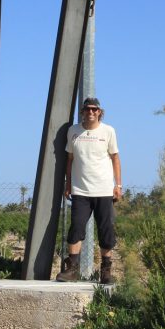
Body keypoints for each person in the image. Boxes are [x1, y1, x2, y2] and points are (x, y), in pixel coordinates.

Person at [56, 97, 122, 284]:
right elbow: (70, 159)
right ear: (82, 112)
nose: (91, 112)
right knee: (76, 228)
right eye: (87, 109)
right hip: (80, 191)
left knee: (106, 230)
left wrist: (118, 185)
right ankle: (72, 270)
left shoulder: (108, 131)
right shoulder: (73, 131)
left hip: (103, 190)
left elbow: (115, 158)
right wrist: (68, 184)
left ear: (100, 112)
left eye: (94, 109)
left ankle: (106, 271)